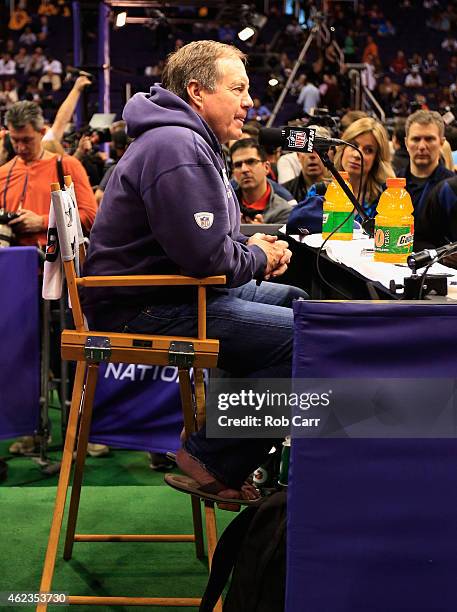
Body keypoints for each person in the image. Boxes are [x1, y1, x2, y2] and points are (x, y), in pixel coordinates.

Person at [82, 40, 307, 504]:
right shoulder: (176, 144)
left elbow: (206, 242)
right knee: (309, 341)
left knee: (298, 301)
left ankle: (219, 438)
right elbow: (205, 260)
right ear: (197, 92)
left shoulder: (183, 138)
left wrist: (250, 247)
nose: (250, 101)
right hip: (143, 307)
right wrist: (258, 257)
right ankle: (214, 457)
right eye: (238, 89)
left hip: (166, 294)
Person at [0, 101, 97, 247]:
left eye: (27, 140)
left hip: (57, 262)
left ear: (42, 133)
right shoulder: (3, 172)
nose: (20, 147)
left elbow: (90, 216)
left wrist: (42, 222)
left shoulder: (68, 166)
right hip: (13, 260)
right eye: (15, 140)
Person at [333, 117, 395, 220]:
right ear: (342, 148)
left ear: (377, 159)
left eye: (368, 150)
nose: (357, 154)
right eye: (353, 145)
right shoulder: (319, 192)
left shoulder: (386, 198)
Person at [397, 110, 454, 218]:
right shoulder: (391, 186)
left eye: (429, 139)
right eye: (416, 139)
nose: (422, 146)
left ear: (441, 143)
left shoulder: (452, 189)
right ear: (406, 143)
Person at [230, 138, 293, 224]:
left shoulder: (284, 211)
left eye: (251, 162)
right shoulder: (225, 206)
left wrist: (262, 231)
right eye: (238, 165)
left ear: (266, 167)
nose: (244, 169)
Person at [281, 125, 330, 201]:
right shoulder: (285, 192)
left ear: (329, 154)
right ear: (298, 155)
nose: (311, 155)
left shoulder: (340, 190)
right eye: (306, 149)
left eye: (317, 148)